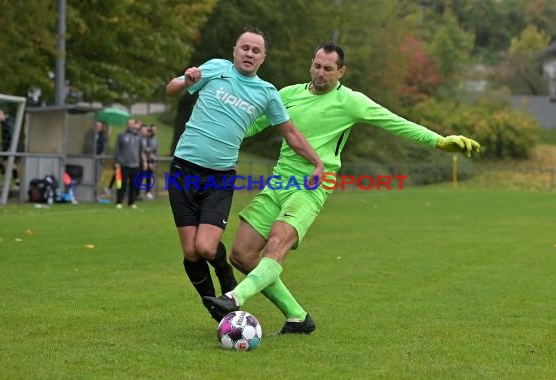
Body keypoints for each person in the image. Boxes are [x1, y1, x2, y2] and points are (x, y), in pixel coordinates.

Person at [203, 41, 481, 334]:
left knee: (275, 246)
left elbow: (395, 122)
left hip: (312, 186)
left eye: (328, 69)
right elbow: (251, 125)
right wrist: (215, 129)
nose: (321, 73)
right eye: (317, 66)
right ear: (311, 64)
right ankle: (297, 317)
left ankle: (234, 297)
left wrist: (438, 140)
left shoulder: (351, 101)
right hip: (279, 182)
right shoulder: (287, 95)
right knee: (242, 255)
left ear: (341, 72)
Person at [165, 26, 324, 322]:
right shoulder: (215, 69)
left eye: (256, 50)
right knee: (190, 252)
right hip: (183, 170)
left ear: (263, 58)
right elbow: (171, 89)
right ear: (234, 51)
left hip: (219, 178)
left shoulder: (266, 93)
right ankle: (217, 310)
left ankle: (226, 281)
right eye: (245, 48)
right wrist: (186, 80)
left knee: (205, 247)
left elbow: (290, 132)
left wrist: (317, 163)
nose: (249, 53)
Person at [114, 118, 144, 209]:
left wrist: (141, 162)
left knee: (133, 184)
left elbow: (140, 150)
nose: (131, 125)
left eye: (133, 123)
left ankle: (131, 202)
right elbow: (117, 149)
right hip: (123, 164)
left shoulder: (138, 136)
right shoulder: (121, 135)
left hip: (135, 164)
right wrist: (117, 162)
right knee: (122, 184)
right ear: (127, 124)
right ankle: (119, 201)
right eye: (129, 123)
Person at [0, 108, 20, 188]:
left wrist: (10, 148)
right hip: (7, 146)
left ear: (4, 114)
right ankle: (11, 181)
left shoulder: (8, 122)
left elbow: (12, 135)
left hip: (12, 146)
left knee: (10, 163)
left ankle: (16, 183)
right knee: (0, 161)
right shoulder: (3, 122)